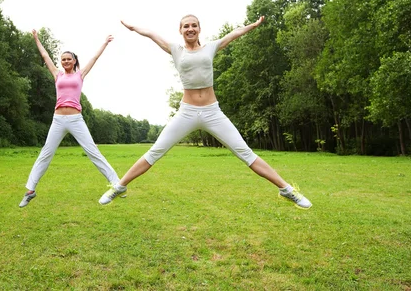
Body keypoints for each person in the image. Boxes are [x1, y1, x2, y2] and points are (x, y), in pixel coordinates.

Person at [99, 15, 312, 209]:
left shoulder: (210, 47)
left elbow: (234, 34)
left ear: (199, 29)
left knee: (245, 153)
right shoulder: (176, 50)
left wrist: (253, 26)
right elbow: (152, 35)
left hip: (212, 112)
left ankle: (287, 190)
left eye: (194, 25)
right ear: (180, 30)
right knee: (156, 151)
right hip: (187, 112)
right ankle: (119, 186)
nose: (190, 29)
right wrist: (133, 27)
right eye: (186, 26)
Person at [19, 29, 122, 207]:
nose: (65, 61)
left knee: (93, 152)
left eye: (69, 59)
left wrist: (104, 43)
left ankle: (117, 184)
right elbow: (45, 56)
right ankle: (30, 190)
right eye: (63, 59)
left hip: (76, 119)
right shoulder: (57, 74)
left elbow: (94, 58)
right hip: (58, 119)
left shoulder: (79, 75)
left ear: (74, 61)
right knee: (46, 153)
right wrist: (36, 39)